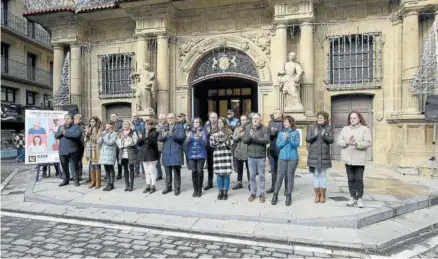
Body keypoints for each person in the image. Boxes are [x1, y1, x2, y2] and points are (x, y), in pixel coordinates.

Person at [337, 111, 372, 208]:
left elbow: (368, 142)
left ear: (359, 119)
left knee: (359, 179)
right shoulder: (345, 129)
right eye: (351, 118)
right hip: (348, 158)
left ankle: (359, 198)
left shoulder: (364, 129)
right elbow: (339, 141)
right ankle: (352, 197)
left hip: (359, 159)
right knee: (351, 179)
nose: (352, 120)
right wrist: (347, 143)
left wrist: (357, 144)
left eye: (354, 118)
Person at [271, 116, 300, 206]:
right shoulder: (280, 133)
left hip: (293, 158)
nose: (285, 123)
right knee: (280, 176)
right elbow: (278, 145)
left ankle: (288, 195)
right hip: (282, 157)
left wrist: (289, 138)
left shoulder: (296, 132)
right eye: (284, 122)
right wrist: (285, 140)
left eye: (287, 121)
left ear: (291, 123)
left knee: (290, 176)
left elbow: (296, 144)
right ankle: (275, 195)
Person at [306, 111, 334, 203]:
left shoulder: (328, 128)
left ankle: (322, 194)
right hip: (314, 155)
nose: (319, 119)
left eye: (321, 118)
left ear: (325, 119)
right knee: (316, 174)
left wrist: (324, 135)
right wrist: (314, 135)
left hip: (324, 155)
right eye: (318, 118)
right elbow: (307, 139)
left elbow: (331, 140)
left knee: (323, 175)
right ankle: (317, 194)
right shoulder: (312, 127)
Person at [243, 113, 270, 203]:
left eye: (257, 118)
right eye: (253, 118)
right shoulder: (248, 128)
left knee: (261, 176)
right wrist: (250, 136)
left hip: (260, 156)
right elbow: (245, 140)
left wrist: (254, 139)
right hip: (250, 156)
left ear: (260, 120)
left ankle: (262, 194)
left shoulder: (265, 128)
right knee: (252, 176)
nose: (255, 120)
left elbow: (266, 140)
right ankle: (253, 193)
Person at [158, 113, 185, 196]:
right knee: (167, 172)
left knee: (176, 172)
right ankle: (168, 187)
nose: (170, 119)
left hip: (175, 152)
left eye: (171, 118)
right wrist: (163, 135)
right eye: (168, 118)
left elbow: (182, 137)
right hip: (166, 153)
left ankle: (177, 188)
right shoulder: (164, 127)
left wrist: (173, 135)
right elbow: (159, 138)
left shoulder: (180, 126)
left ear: (175, 119)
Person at [55, 114, 83, 187]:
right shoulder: (61, 127)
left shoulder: (76, 127)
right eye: (65, 118)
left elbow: (77, 135)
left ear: (72, 119)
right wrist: (62, 132)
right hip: (62, 150)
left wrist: (66, 133)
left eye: (68, 118)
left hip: (73, 150)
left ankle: (76, 180)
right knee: (64, 166)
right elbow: (56, 135)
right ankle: (65, 180)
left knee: (74, 166)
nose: (66, 120)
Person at [210, 117, 234, 200]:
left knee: (226, 174)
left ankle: (225, 192)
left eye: (221, 122)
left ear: (224, 123)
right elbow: (211, 143)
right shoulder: (214, 132)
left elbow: (231, 143)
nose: (220, 123)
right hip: (217, 154)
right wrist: (218, 141)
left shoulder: (229, 132)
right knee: (219, 174)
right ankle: (220, 191)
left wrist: (226, 141)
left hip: (226, 154)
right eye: (219, 122)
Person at [185, 117, 208, 198]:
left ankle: (199, 190)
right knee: (194, 171)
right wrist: (187, 139)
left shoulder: (203, 132)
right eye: (194, 122)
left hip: (201, 155)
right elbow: (186, 145)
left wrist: (199, 138)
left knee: (199, 172)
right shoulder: (190, 132)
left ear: (200, 123)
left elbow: (205, 144)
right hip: (191, 155)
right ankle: (195, 190)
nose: (196, 123)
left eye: (197, 122)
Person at [116, 121, 139, 192]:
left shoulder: (133, 132)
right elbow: (118, 142)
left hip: (130, 153)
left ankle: (131, 185)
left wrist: (126, 139)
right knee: (125, 169)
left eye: (126, 124)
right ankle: (127, 185)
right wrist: (122, 140)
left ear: (129, 125)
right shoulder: (120, 133)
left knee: (131, 169)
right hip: (123, 153)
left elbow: (134, 142)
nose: (124, 126)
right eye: (123, 124)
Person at [266, 109, 284, 194]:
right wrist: (271, 133)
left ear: (281, 114)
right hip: (272, 149)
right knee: (273, 169)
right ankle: (273, 187)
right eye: (274, 113)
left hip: (280, 149)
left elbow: (284, 134)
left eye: (276, 113)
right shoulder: (270, 122)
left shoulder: (284, 122)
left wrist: (276, 131)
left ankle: (284, 187)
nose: (275, 114)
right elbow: (267, 133)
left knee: (282, 169)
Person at [139, 119, 159, 194]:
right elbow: (139, 143)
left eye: (149, 124)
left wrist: (146, 138)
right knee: (146, 171)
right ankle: (148, 185)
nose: (147, 126)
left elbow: (153, 142)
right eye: (146, 124)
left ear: (152, 125)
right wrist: (144, 139)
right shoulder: (143, 132)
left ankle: (153, 186)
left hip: (152, 154)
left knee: (151, 171)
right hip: (144, 154)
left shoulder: (155, 132)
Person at [98, 121, 118, 192]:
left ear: (111, 126)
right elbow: (99, 143)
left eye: (107, 124)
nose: (105, 125)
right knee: (106, 169)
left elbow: (110, 142)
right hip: (104, 154)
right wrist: (101, 136)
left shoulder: (114, 133)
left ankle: (112, 184)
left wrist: (104, 137)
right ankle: (108, 183)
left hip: (110, 153)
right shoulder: (104, 133)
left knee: (110, 168)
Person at [232, 115, 250, 190]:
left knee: (249, 169)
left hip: (248, 151)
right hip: (238, 152)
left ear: (247, 120)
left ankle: (250, 183)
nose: (243, 121)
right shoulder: (237, 129)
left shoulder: (250, 128)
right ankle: (239, 183)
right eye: (242, 120)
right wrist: (239, 135)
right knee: (239, 169)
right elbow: (234, 138)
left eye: (244, 120)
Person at [84, 116, 103, 189]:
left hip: (96, 148)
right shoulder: (88, 129)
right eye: (91, 121)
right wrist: (86, 134)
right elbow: (85, 140)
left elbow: (97, 140)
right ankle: (93, 181)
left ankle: (98, 182)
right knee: (91, 164)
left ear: (96, 122)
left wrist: (91, 134)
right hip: (89, 148)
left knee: (97, 164)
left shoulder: (99, 129)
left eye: (93, 121)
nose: (92, 123)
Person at [203, 112, 219, 191]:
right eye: (211, 117)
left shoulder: (220, 125)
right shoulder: (206, 126)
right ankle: (210, 183)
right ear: (209, 118)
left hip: (218, 149)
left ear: (217, 118)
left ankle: (221, 184)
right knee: (209, 167)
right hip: (209, 149)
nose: (213, 119)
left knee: (220, 167)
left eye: (214, 117)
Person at [132, 112, 146, 178]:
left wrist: (136, 130)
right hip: (134, 142)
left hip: (140, 142)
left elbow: (143, 130)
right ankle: (136, 172)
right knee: (136, 158)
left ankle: (143, 172)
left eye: (135, 116)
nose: (134, 117)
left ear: (138, 116)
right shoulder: (132, 123)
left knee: (141, 158)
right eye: (133, 116)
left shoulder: (141, 122)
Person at [110, 113, 123, 180]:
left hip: (118, 144)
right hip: (111, 145)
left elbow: (120, 132)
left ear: (117, 117)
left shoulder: (120, 123)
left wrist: (114, 130)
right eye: (112, 116)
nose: (113, 117)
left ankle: (119, 173)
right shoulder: (109, 124)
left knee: (119, 160)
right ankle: (110, 174)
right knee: (110, 160)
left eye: (114, 116)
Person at [73, 114, 86, 181]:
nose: (75, 120)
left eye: (77, 118)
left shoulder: (82, 126)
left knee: (79, 161)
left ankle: (79, 175)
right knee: (74, 161)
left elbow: (82, 136)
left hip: (80, 145)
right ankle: (74, 175)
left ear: (80, 120)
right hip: (73, 146)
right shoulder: (72, 126)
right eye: (74, 118)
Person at [155, 114, 167, 181]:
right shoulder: (156, 126)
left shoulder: (167, 126)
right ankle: (159, 174)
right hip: (158, 145)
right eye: (161, 118)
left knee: (165, 160)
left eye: (163, 118)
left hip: (165, 145)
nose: (162, 120)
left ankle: (167, 174)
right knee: (157, 160)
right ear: (159, 119)